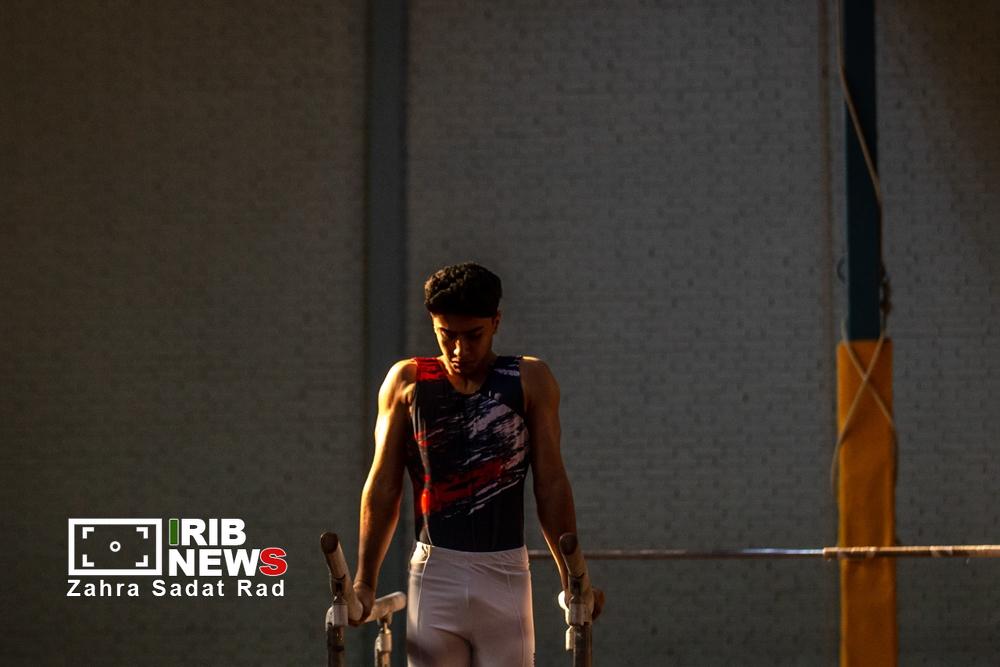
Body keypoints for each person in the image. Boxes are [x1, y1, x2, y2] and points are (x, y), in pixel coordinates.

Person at [352, 262, 602, 666]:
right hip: (434, 573)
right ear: (433, 323)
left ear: (496, 322)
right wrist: (365, 582)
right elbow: (383, 486)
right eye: (447, 335)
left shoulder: (528, 379)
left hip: (505, 575)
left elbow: (551, 485)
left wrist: (573, 579)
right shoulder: (407, 383)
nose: (459, 351)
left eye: (473, 336)